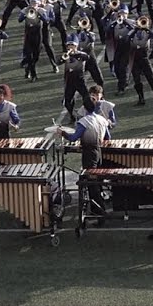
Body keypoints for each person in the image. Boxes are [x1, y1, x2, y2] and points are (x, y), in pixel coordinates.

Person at [60, 96, 112, 228]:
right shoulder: (102, 119)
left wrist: (62, 133)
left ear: (84, 108)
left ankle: (100, 214)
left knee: (92, 185)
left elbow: (73, 137)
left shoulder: (84, 121)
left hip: (89, 155)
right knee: (97, 184)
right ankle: (97, 211)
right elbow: (106, 137)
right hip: (99, 153)